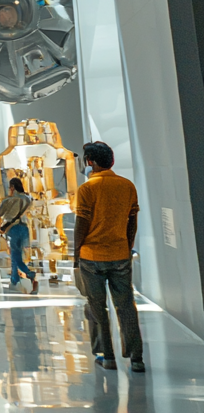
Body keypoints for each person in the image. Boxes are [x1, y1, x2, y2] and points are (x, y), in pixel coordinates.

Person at [73, 141, 144, 372]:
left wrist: (76, 254)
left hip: (91, 256)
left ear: (90, 162)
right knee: (126, 306)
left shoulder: (87, 189)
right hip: (120, 254)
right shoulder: (127, 186)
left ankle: (107, 356)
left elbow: (81, 224)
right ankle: (136, 358)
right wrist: (127, 245)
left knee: (96, 308)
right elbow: (131, 221)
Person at [0, 177, 40, 294]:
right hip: (25, 228)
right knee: (18, 254)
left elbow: (0, 213)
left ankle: (30, 275)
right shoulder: (28, 198)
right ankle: (14, 280)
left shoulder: (10, 200)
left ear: (12, 187)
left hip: (13, 228)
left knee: (15, 255)